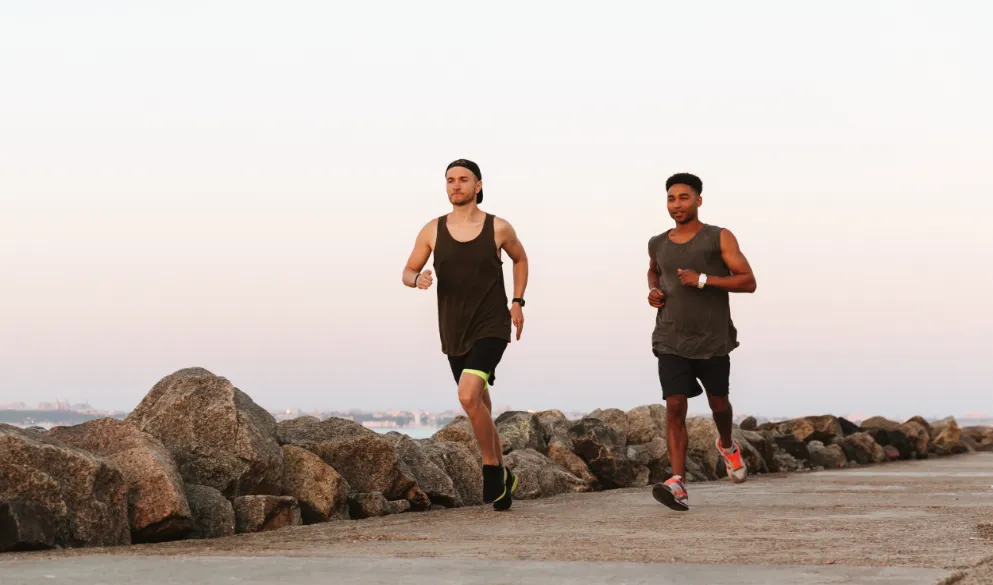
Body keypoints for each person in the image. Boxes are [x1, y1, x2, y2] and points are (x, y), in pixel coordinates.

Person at [402, 159, 529, 511]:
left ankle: (491, 467)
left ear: (478, 185)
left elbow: (520, 259)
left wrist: (517, 301)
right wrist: (418, 279)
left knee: (468, 394)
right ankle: (506, 477)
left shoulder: (498, 228)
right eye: (450, 180)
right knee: (481, 402)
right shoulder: (432, 230)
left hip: (491, 325)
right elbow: (407, 270)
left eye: (463, 179)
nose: (456, 185)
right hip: (453, 329)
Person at [646, 172, 757, 511]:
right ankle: (677, 482)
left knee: (719, 404)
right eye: (671, 199)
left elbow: (748, 281)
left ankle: (726, 443)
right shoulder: (657, 242)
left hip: (712, 338)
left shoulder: (718, 237)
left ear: (698, 200)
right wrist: (652, 290)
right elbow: (655, 270)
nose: (676, 204)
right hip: (670, 337)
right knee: (675, 404)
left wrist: (703, 280)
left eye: (683, 197)